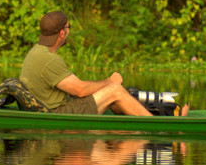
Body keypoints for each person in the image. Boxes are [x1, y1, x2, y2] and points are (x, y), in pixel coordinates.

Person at [20, 11, 187, 116]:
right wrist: (110, 82)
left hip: (53, 108)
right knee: (114, 90)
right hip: (58, 113)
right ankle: (157, 126)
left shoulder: (36, 51)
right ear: (62, 33)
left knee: (114, 95)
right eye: (69, 27)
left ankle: (161, 112)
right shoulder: (49, 60)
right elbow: (80, 90)